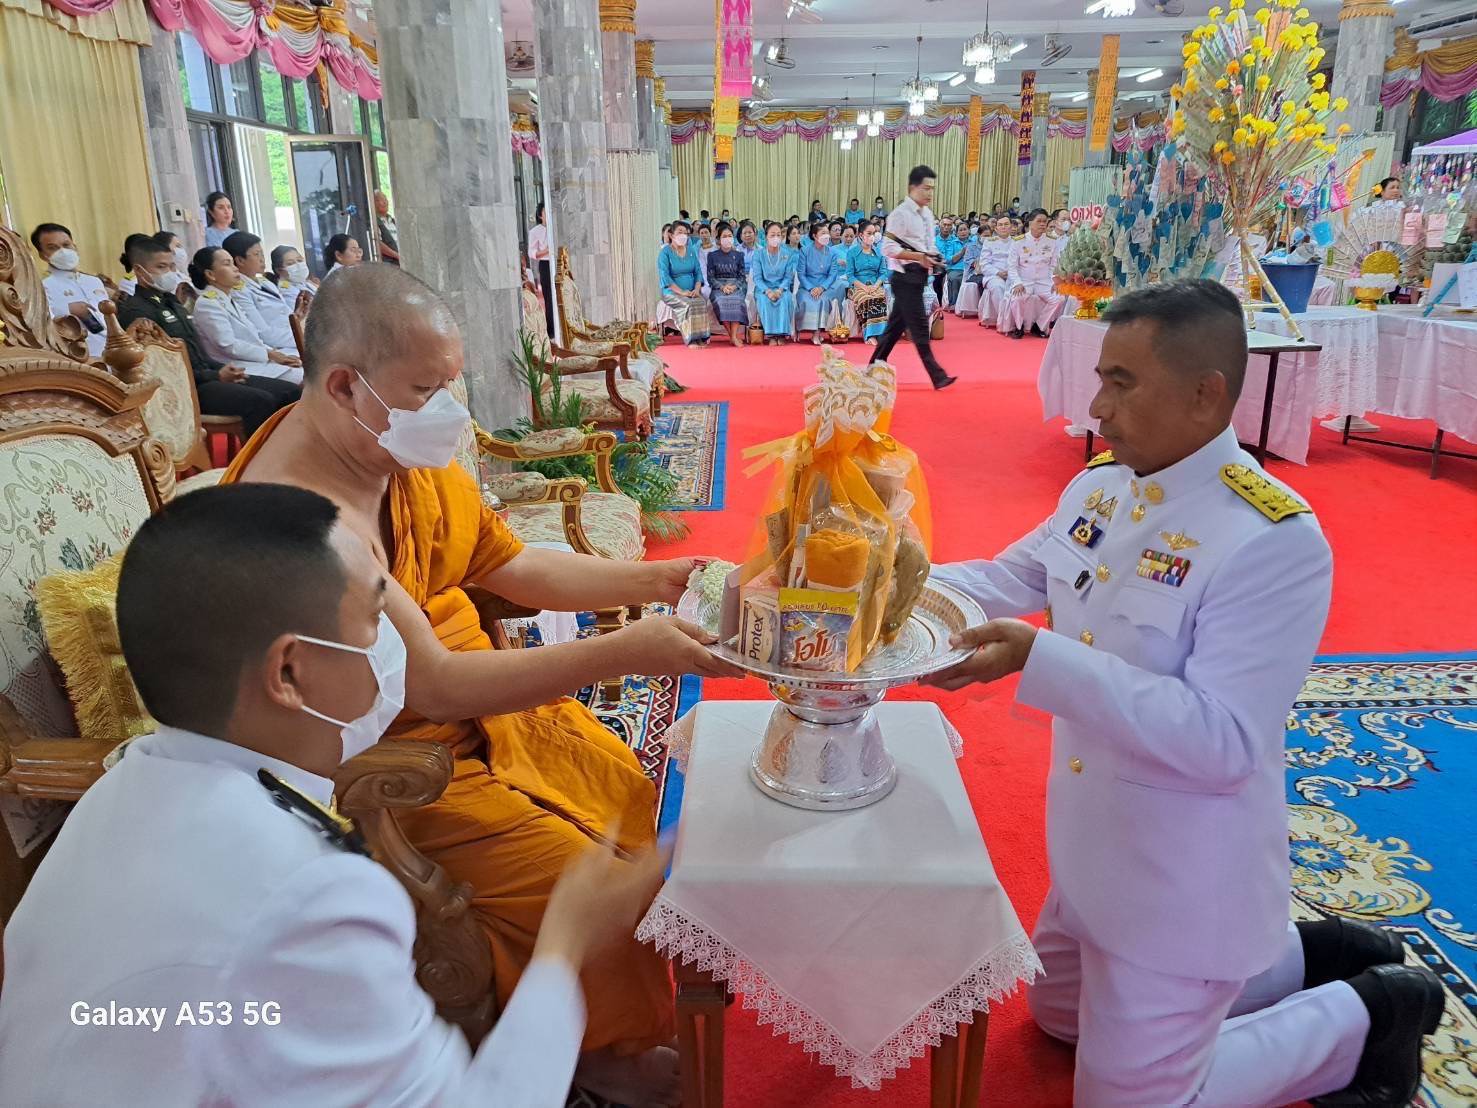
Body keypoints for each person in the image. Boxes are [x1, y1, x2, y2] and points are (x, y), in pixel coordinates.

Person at [219, 265, 740, 1105]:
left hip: (484, 715)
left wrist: (666, 579)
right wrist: (627, 651)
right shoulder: (301, 519)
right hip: (394, 761)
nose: (446, 412)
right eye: (425, 389)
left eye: (448, 385)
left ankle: (598, 1020)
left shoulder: (383, 443)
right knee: (582, 875)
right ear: (347, 384)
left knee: (625, 797)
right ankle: (597, 1051)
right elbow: (435, 687)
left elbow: (514, 563)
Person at [926, 279, 1443, 1107]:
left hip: (1182, 876)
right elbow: (1005, 576)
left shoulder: (1269, 539)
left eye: (1121, 383)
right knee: (1060, 1020)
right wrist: (894, 574)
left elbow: (1222, 741)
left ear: (1206, 395)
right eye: (1100, 377)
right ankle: (1306, 956)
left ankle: (1365, 1015)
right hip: (1093, 850)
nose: (1096, 406)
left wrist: (1039, 656)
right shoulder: (1100, 485)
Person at [0, 482, 673, 1106]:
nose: (397, 650)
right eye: (376, 622)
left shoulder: (120, 795)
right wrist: (564, 944)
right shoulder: (310, 892)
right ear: (289, 673)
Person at [118, 237, 298, 436]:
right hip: (184, 389)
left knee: (289, 391)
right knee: (261, 400)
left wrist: (220, 369)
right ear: (139, 270)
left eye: (171, 266)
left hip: (207, 377)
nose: (169, 273)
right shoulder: (136, 311)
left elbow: (198, 354)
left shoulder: (172, 303)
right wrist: (215, 375)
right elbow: (158, 369)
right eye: (161, 267)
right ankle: (257, 462)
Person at [871, 165, 956, 390]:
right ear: (912, 188)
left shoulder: (927, 214)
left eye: (932, 189)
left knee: (893, 329)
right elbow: (887, 248)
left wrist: (934, 256)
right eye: (925, 188)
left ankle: (873, 367)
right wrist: (918, 256)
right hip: (904, 277)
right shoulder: (900, 214)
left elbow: (929, 244)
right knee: (919, 327)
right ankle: (937, 375)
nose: (929, 193)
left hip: (920, 277)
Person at [190, 247, 304, 385]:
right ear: (210, 274)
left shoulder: (227, 299)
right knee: (307, 379)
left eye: (233, 263)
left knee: (308, 366)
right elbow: (227, 344)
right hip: (237, 368)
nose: (235, 268)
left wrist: (274, 354)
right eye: (227, 264)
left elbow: (253, 336)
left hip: (258, 361)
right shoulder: (207, 304)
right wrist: (270, 354)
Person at [32, 222, 110, 360]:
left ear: (75, 246)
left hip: (112, 350)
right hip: (81, 357)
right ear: (42, 255)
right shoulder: (42, 286)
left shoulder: (93, 281)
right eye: (52, 248)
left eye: (66, 245)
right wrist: (67, 310)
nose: (62, 251)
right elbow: (39, 324)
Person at [1000, 209, 1065, 339]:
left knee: (1059, 298)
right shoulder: (1019, 241)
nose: (1042, 224)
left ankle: (1040, 325)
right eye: (1039, 221)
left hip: (1044, 280)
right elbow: (1012, 266)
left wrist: (1054, 281)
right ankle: (1019, 327)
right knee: (1017, 298)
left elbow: (1054, 265)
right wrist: (1017, 282)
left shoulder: (1052, 241)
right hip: (1024, 280)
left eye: (1045, 222)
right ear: (1030, 223)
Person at [657, 220, 711, 347]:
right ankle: (691, 339)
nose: (683, 236)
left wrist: (697, 289)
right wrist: (682, 292)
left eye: (686, 233)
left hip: (691, 290)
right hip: (672, 292)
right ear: (671, 235)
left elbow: (698, 271)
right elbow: (665, 277)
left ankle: (701, 338)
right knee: (687, 304)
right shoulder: (664, 253)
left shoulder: (691, 250)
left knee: (700, 301)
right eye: (680, 232)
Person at [795, 222, 845, 345]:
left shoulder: (832, 252)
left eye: (827, 233)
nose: (827, 236)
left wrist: (822, 288)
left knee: (822, 299)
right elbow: (801, 273)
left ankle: (816, 333)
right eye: (823, 233)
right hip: (807, 287)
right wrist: (811, 288)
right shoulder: (805, 251)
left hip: (825, 286)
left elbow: (833, 274)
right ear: (815, 235)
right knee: (809, 299)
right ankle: (803, 330)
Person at [751, 223, 797, 345]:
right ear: (766, 237)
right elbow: (757, 278)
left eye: (778, 235)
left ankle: (781, 334)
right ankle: (771, 335)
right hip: (763, 288)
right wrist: (768, 291)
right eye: (772, 235)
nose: (776, 237)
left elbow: (788, 277)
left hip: (782, 288)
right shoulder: (758, 254)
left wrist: (779, 290)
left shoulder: (788, 254)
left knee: (785, 299)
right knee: (765, 300)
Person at [847, 221, 889, 345]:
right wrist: (864, 287)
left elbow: (883, 273)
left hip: (875, 285)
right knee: (867, 299)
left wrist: (875, 286)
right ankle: (869, 335)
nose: (872, 236)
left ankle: (880, 334)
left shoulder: (879, 252)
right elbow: (850, 275)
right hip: (858, 286)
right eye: (869, 233)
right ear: (861, 235)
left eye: (874, 233)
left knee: (879, 297)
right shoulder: (852, 253)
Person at [705, 223, 748, 345]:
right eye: (724, 236)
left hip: (736, 285)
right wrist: (722, 287)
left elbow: (741, 276)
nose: (727, 238)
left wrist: (734, 286)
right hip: (719, 286)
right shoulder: (712, 256)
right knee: (721, 301)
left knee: (737, 300)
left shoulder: (739, 255)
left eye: (730, 235)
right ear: (719, 239)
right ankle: (732, 336)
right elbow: (710, 277)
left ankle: (733, 337)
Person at [976, 214, 1015, 329]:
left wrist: (1011, 273)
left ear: (1011, 227)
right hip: (993, 275)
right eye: (1000, 225)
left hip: (1013, 275)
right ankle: (1004, 320)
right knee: (998, 287)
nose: (1003, 227)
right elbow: (984, 264)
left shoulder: (1017, 242)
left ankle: (1020, 320)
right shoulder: (989, 242)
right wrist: (998, 273)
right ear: (996, 228)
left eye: (1006, 224)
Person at [528, 202, 554, 338]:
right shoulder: (535, 231)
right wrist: (546, 251)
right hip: (545, 265)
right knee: (549, 298)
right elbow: (531, 253)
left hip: (558, 264)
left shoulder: (555, 228)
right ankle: (551, 331)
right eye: (545, 212)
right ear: (540, 215)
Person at [953, 225, 987, 319]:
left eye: (989, 236)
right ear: (979, 235)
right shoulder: (972, 246)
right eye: (985, 235)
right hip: (975, 272)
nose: (987, 238)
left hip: (990, 271)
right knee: (981, 281)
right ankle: (982, 308)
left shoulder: (994, 246)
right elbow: (967, 260)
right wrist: (975, 262)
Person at [935, 217, 967, 309]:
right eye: (944, 224)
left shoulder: (955, 239)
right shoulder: (933, 240)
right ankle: (939, 302)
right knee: (937, 275)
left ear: (952, 227)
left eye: (949, 225)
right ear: (939, 226)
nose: (946, 227)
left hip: (951, 265)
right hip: (938, 266)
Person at [375, 190, 400, 266]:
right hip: (390, 264)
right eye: (380, 200)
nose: (385, 202)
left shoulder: (394, 221)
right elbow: (378, 243)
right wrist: (397, 255)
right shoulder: (375, 222)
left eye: (385, 199)